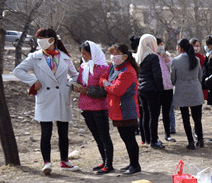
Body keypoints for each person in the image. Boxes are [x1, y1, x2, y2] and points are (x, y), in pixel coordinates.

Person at [14, 28, 80, 174]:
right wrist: (33, 81)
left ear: (52, 40)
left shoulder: (64, 57)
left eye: (42, 38)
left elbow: (75, 75)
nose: (39, 41)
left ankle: (64, 161)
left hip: (62, 97)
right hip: (45, 97)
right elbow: (18, 71)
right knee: (46, 132)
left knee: (63, 132)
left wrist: (70, 85)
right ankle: (47, 163)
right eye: (38, 38)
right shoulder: (34, 56)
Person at [72, 41, 113, 174]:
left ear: (92, 53)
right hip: (86, 106)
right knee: (96, 136)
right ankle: (103, 159)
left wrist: (88, 91)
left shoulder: (103, 68)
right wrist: (76, 86)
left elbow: (104, 89)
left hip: (99, 107)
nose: (83, 56)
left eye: (85, 53)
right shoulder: (83, 67)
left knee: (104, 136)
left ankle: (109, 164)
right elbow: (80, 81)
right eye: (82, 54)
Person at [101, 43, 141, 175]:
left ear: (124, 56)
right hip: (116, 110)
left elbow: (117, 90)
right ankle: (132, 163)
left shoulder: (128, 72)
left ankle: (135, 165)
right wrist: (107, 83)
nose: (113, 57)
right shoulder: (113, 67)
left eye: (116, 54)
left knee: (129, 138)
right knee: (125, 138)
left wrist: (107, 84)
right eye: (112, 53)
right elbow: (102, 78)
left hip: (127, 110)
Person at [171, 38, 205, 150]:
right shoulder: (196, 59)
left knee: (185, 118)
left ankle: (190, 141)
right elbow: (200, 76)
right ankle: (200, 139)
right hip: (195, 89)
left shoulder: (175, 61)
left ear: (180, 48)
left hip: (182, 91)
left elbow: (172, 78)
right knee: (197, 118)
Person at [135, 34, 164, 149]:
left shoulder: (139, 56)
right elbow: (157, 76)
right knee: (154, 115)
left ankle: (146, 139)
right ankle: (154, 140)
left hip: (142, 89)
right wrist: (161, 89)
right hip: (152, 89)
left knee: (145, 115)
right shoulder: (153, 57)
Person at [155, 37, 175, 141]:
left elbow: (171, 68)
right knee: (156, 113)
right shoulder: (152, 57)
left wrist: (166, 58)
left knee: (166, 113)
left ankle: (168, 134)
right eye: (159, 44)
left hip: (168, 88)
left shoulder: (165, 56)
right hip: (157, 89)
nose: (161, 45)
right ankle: (155, 136)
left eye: (161, 44)